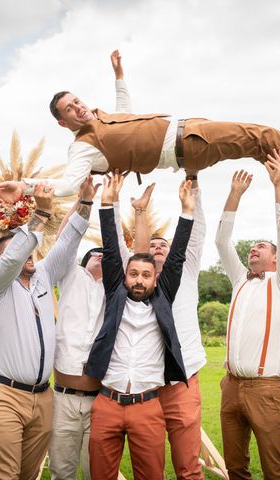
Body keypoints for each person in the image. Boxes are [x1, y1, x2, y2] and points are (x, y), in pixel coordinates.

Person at [0, 50, 280, 202]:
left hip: (190, 130)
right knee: (264, 135)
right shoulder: (81, 148)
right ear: (63, 123)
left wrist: (119, 74)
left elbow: (125, 112)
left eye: (77, 100)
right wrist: (25, 185)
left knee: (260, 148)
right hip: (186, 143)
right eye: (70, 109)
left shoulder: (101, 119)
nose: (79, 107)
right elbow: (63, 187)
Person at [0, 179, 95, 480]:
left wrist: (84, 202)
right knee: (6, 476)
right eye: (20, 251)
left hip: (43, 398)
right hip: (3, 394)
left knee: (30, 475)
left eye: (32, 251)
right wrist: (39, 216)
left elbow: (68, 242)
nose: (29, 254)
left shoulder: (42, 275)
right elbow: (15, 253)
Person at [84, 175, 196, 480]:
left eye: (146, 274)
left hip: (147, 406)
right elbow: (110, 250)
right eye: (133, 273)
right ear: (125, 277)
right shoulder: (115, 294)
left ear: (155, 279)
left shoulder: (163, 298)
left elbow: (177, 258)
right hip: (107, 402)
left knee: (151, 475)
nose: (139, 279)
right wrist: (107, 204)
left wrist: (187, 211)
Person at [215, 149, 280, 480]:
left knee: (273, 469)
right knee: (235, 468)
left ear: (275, 260)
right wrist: (234, 195)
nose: (254, 248)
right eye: (253, 246)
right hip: (230, 386)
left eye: (262, 247)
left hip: (265, 389)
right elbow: (222, 241)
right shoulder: (239, 280)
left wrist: (278, 185)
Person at [48, 174, 136, 480]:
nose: (100, 254)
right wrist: (82, 200)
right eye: (94, 253)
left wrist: (115, 200)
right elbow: (64, 243)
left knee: (95, 470)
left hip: (100, 398)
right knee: (61, 469)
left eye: (104, 254)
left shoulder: (114, 290)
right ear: (84, 261)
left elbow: (126, 255)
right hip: (63, 397)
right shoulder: (70, 277)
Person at [130, 170, 206, 479]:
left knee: (188, 466)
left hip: (181, 383)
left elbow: (198, 233)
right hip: (145, 385)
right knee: (149, 469)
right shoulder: (137, 285)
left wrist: (194, 187)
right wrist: (139, 212)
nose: (159, 246)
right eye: (154, 244)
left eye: (166, 244)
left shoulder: (186, 273)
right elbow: (137, 248)